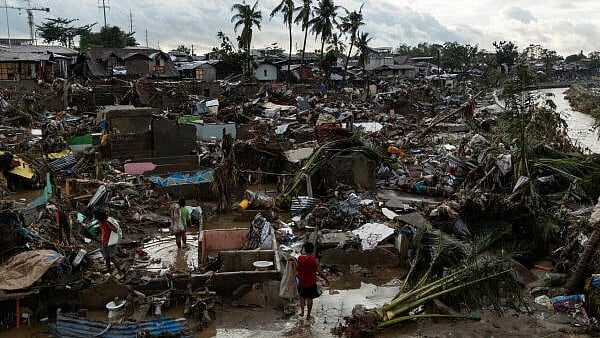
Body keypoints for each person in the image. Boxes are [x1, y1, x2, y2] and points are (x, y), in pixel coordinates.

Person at [296, 242, 329, 319]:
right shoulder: (314, 260)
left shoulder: (300, 258)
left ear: (305, 250)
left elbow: (297, 271)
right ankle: (308, 315)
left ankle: (302, 312)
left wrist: (297, 280)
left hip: (301, 282)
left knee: (301, 296)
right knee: (309, 298)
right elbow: (319, 272)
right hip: (311, 283)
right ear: (312, 250)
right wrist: (326, 279)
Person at [93, 209, 121, 273]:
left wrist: (109, 226)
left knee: (112, 257)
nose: (94, 217)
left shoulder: (107, 222)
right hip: (104, 241)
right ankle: (109, 270)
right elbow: (103, 231)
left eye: (95, 216)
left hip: (110, 241)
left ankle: (120, 271)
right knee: (107, 257)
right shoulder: (101, 222)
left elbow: (115, 230)